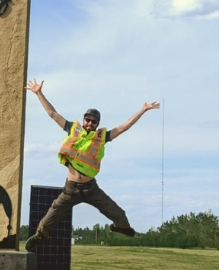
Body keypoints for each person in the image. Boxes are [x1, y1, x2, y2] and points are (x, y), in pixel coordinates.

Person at [24, 78, 160, 251]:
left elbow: (125, 127)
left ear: (97, 124)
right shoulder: (73, 129)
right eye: (87, 119)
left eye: (93, 121)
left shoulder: (102, 137)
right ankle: (39, 236)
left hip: (91, 189)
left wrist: (143, 110)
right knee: (51, 215)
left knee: (120, 215)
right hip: (70, 189)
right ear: (83, 120)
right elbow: (52, 114)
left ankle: (119, 227)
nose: (89, 123)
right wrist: (39, 93)